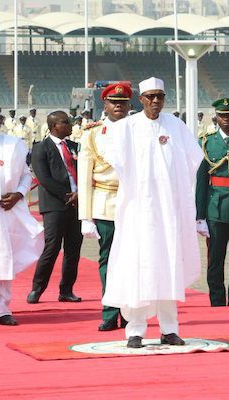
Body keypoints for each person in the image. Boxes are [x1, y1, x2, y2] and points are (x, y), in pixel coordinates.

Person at [101, 77, 203, 348]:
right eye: (151, 96)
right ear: (141, 99)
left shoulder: (176, 126)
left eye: (160, 96)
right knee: (138, 266)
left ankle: (169, 329)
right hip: (139, 212)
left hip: (169, 212)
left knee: (169, 265)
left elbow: (194, 159)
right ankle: (135, 330)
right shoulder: (127, 128)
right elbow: (113, 158)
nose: (156, 101)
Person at [78, 83, 132, 331]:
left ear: (129, 105)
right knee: (108, 259)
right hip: (105, 202)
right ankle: (110, 313)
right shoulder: (92, 133)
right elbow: (84, 176)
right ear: (105, 105)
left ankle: (131, 313)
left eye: (122, 102)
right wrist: (85, 216)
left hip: (133, 204)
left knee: (132, 260)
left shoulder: (139, 130)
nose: (118, 106)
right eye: (114, 102)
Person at [0, 99, 44, 325]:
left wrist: (18, 194)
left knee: (3, 259)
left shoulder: (14, 144)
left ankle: (2, 310)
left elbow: (26, 175)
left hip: (6, 212)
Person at [196, 98, 229, 307]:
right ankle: (216, 303)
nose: (226, 119)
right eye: (222, 115)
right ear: (216, 117)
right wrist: (200, 216)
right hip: (215, 208)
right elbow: (201, 182)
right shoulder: (206, 142)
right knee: (215, 260)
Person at [27, 111, 83, 304]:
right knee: (51, 248)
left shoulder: (75, 146)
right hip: (55, 205)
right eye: (65, 122)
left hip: (77, 204)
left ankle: (66, 290)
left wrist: (80, 194)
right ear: (53, 127)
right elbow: (44, 178)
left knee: (73, 250)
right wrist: (68, 195)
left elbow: (85, 171)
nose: (70, 125)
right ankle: (37, 288)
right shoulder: (41, 148)